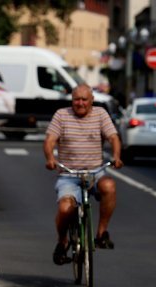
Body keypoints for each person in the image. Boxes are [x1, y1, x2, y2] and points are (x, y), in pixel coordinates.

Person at [44, 84, 123, 266]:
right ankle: (62, 241)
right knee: (65, 209)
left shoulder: (100, 114)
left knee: (109, 186)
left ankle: (101, 234)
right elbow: (50, 140)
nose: (80, 103)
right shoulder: (62, 115)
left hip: (94, 172)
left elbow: (113, 137)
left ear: (91, 101)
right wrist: (50, 158)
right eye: (76, 99)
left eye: (84, 99)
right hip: (68, 174)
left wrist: (117, 156)